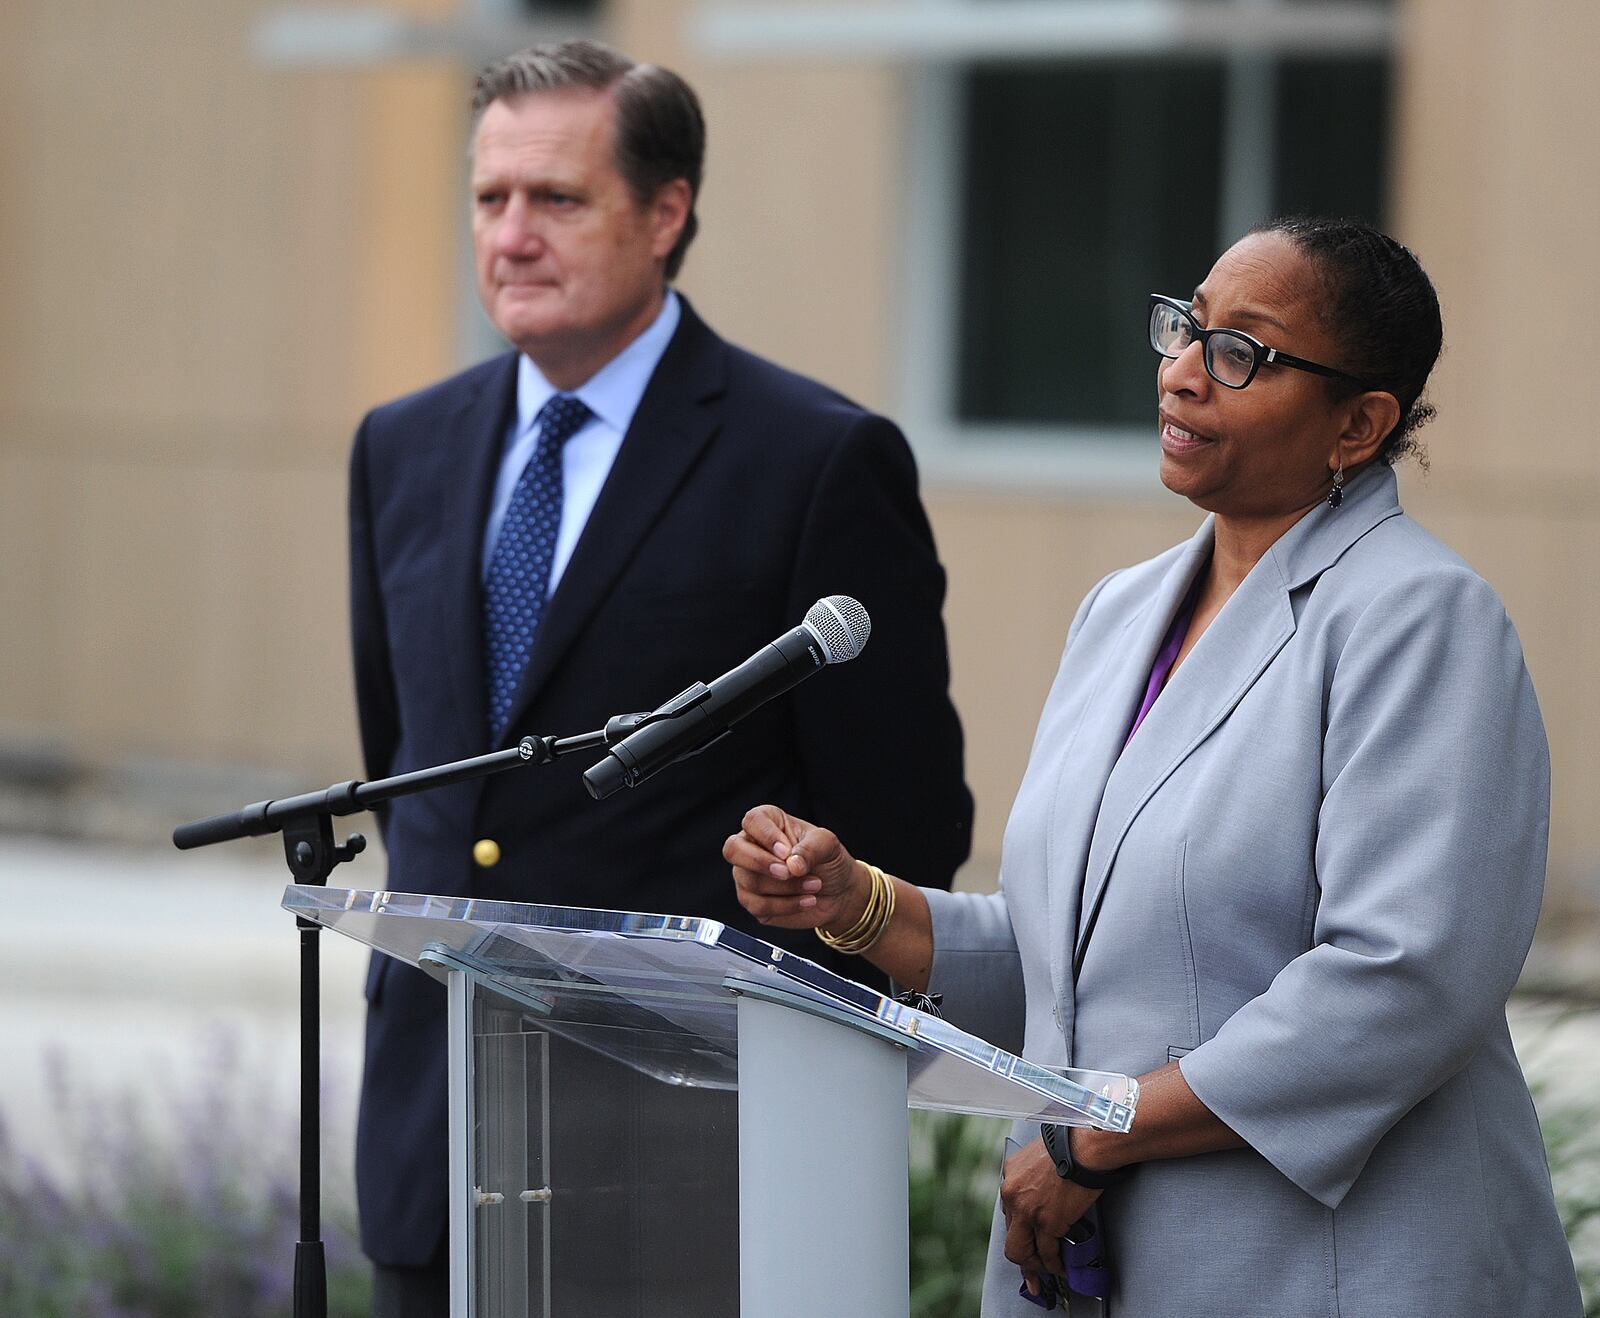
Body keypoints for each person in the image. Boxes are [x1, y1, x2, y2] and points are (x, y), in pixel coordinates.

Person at [727, 217, 1583, 1315]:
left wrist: (1093, 1136)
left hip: (1323, 1271)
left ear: (1358, 424)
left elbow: (1401, 980)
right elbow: (1076, 956)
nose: (1184, 374)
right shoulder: (1120, 610)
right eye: (1188, 328)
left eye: (1243, 354)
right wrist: (856, 906)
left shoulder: (1420, 617)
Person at [348, 39, 972, 1312]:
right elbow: (428, 777)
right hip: (433, 1138)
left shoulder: (815, 459)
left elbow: (906, 828)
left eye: (555, 199)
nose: (511, 235)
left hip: (683, 1170)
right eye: (489, 198)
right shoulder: (399, 448)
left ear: (666, 210)